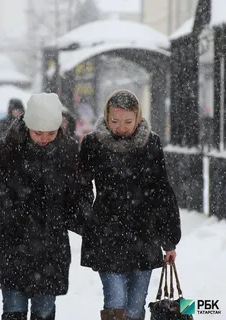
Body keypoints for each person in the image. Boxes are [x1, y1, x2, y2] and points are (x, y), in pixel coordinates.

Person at [79, 89, 181, 320]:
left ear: (138, 118)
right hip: (107, 234)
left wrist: (169, 241)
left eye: (127, 121)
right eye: (114, 121)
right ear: (106, 117)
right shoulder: (93, 144)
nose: (121, 127)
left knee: (136, 308)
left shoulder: (150, 143)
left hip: (143, 235)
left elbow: (162, 192)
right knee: (115, 304)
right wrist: (86, 220)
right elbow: (81, 187)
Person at [0, 93, 80, 320]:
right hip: (13, 245)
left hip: (50, 249)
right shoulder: (7, 149)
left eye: (51, 133)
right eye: (38, 133)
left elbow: (78, 198)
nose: (44, 138)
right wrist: (9, 196)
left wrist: (84, 219)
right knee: (13, 312)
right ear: (28, 126)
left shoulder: (69, 151)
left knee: (44, 313)